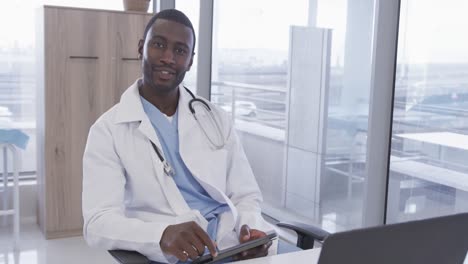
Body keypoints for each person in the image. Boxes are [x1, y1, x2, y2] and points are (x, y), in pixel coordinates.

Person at [82, 9, 276, 263]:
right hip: (175, 254)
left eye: (180, 50)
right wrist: (160, 235)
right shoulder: (108, 129)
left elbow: (246, 195)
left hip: (232, 247)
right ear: (141, 48)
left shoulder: (215, 118)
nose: (168, 58)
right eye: (159, 45)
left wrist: (249, 232)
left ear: (191, 60)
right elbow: (97, 223)